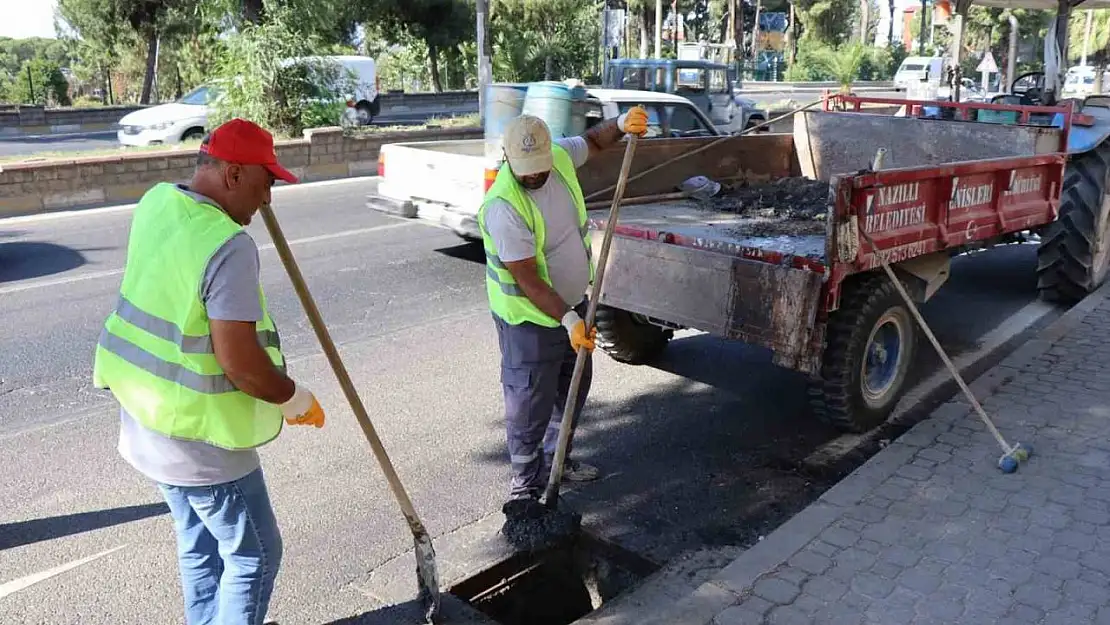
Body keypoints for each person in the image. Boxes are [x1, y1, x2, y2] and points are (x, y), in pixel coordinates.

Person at [92, 118, 326, 625]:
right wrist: (293, 398)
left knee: (199, 544)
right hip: (200, 443)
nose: (267, 203)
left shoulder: (158, 203)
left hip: (145, 423)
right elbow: (241, 362)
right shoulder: (228, 245)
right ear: (235, 175)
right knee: (254, 556)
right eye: (267, 186)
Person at [478, 106, 649, 515]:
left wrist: (622, 126)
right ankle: (524, 487)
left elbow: (592, 141)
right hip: (529, 322)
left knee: (571, 391)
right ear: (508, 160)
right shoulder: (504, 206)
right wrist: (569, 319)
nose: (536, 175)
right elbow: (528, 280)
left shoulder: (555, 155)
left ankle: (558, 461)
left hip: (575, 308)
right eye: (528, 170)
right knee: (528, 405)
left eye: (541, 166)